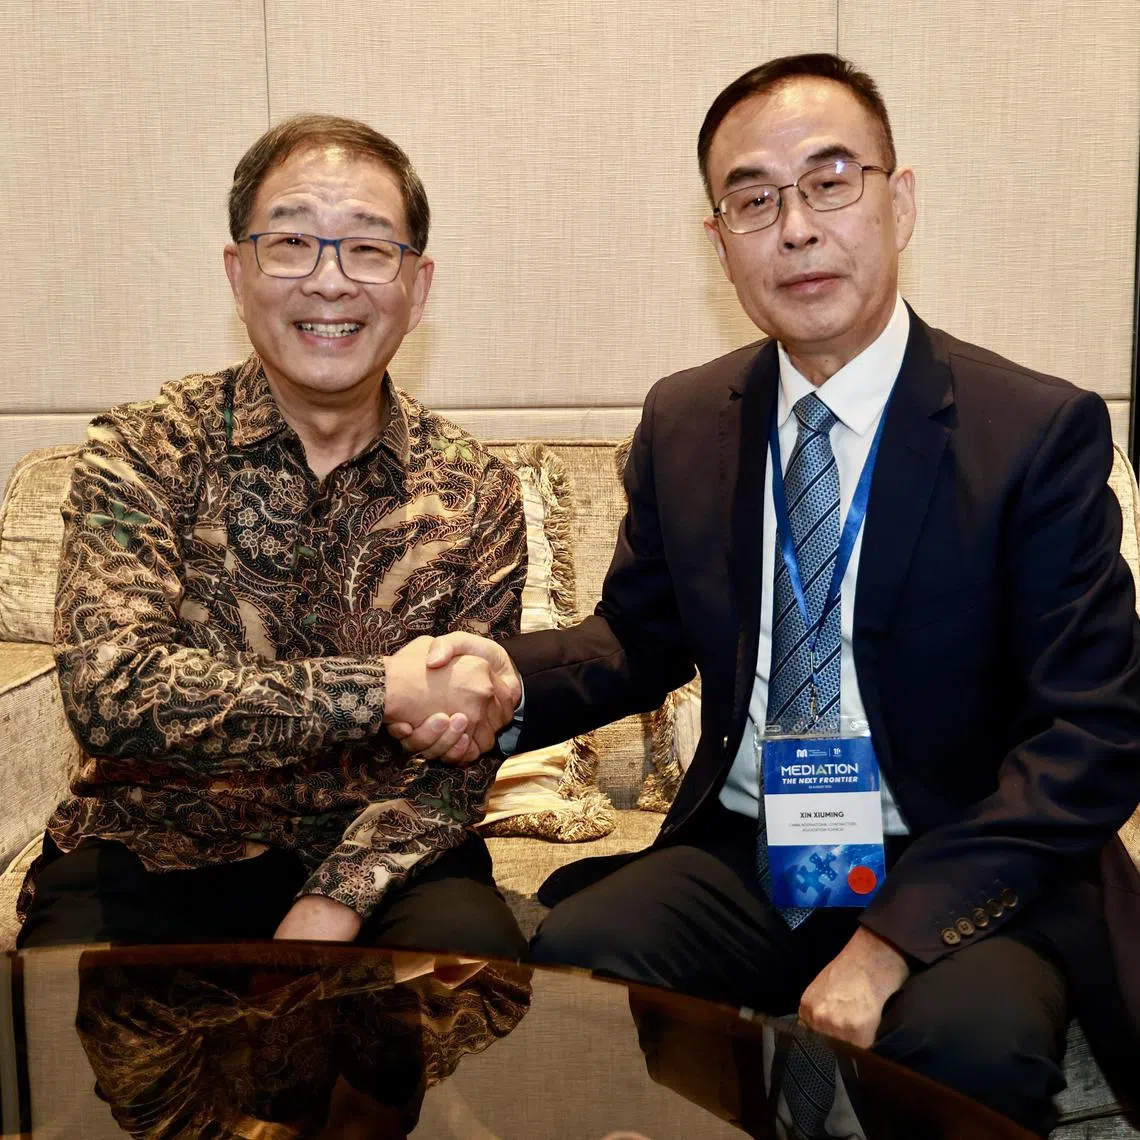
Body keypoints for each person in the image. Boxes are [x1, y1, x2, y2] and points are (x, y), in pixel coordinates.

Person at [390, 55, 1140, 1133]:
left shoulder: (1031, 432)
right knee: (580, 962)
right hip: (752, 847)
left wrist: (887, 947)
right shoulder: (691, 419)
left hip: (960, 851)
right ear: (719, 241)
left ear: (900, 200)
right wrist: (507, 678)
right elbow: (638, 642)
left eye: (830, 182)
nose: (795, 227)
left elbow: (1094, 733)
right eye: (753, 198)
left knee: (964, 1044)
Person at [16, 114, 527, 958]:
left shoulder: (476, 488)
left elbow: (462, 754)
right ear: (238, 270)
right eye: (291, 242)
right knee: (83, 1050)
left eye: (368, 248)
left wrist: (334, 901)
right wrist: (384, 690)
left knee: (473, 990)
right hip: (151, 847)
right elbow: (113, 694)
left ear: (418, 284)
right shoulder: (145, 449)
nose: (330, 282)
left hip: (384, 853)